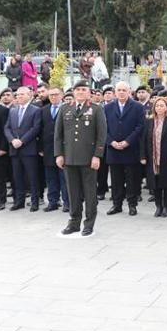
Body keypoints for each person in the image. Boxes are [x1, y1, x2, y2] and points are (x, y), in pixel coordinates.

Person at [56, 80, 107, 236]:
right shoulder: (65, 109)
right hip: (69, 158)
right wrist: (59, 154)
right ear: (73, 92)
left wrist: (97, 156)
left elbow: (101, 135)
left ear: (88, 92)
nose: (80, 92)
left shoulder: (96, 109)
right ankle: (74, 222)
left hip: (88, 158)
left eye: (83, 89)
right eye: (77, 90)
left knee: (90, 192)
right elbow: (58, 135)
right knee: (73, 192)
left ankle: (89, 223)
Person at [104, 82, 145, 216]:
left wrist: (128, 141)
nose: (121, 92)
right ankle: (117, 205)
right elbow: (103, 128)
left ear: (129, 92)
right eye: (119, 90)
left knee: (132, 179)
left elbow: (140, 126)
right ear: (115, 92)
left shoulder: (137, 107)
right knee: (116, 180)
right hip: (113, 149)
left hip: (130, 149)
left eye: (124, 90)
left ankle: (132, 205)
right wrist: (111, 142)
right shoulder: (108, 107)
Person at [141, 96, 167, 217]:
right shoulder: (149, 121)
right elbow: (143, 139)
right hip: (152, 157)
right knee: (155, 184)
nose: (159, 108)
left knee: (166, 184)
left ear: (166, 107)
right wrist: (142, 156)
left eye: (162, 105)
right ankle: (158, 206)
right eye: (157, 105)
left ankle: (166, 207)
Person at [4, 87, 42, 211]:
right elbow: (7, 128)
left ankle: (35, 201)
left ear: (29, 95)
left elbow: (35, 128)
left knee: (32, 177)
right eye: (17, 95)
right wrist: (12, 140)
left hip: (28, 149)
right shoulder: (13, 111)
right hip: (14, 149)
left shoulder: (35, 110)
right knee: (17, 176)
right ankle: (19, 201)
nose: (18, 97)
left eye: (21, 94)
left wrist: (22, 141)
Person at [40, 87, 68, 213]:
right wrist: (40, 148)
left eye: (56, 94)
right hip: (48, 149)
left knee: (65, 178)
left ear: (61, 95)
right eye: (51, 95)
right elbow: (40, 130)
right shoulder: (44, 110)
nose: (53, 97)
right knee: (51, 178)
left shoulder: (67, 109)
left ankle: (67, 202)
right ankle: (53, 201)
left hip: (64, 150)